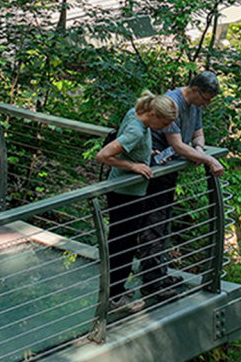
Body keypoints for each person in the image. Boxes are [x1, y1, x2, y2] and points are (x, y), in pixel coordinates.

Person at [141, 71, 225, 301]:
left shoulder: (195, 106)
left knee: (164, 222)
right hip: (155, 170)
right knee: (154, 223)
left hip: (169, 171)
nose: (206, 104)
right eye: (206, 99)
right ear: (195, 90)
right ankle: (151, 280)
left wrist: (199, 151)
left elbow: (198, 135)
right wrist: (208, 159)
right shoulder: (172, 103)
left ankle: (161, 272)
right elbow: (177, 145)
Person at [96, 91, 178, 313]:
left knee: (120, 241)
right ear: (152, 113)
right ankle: (115, 299)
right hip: (127, 194)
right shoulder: (136, 130)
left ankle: (116, 289)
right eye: (164, 123)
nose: (165, 128)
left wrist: (144, 154)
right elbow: (103, 155)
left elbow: (132, 146)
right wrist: (134, 167)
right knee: (124, 244)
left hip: (121, 190)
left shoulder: (135, 113)